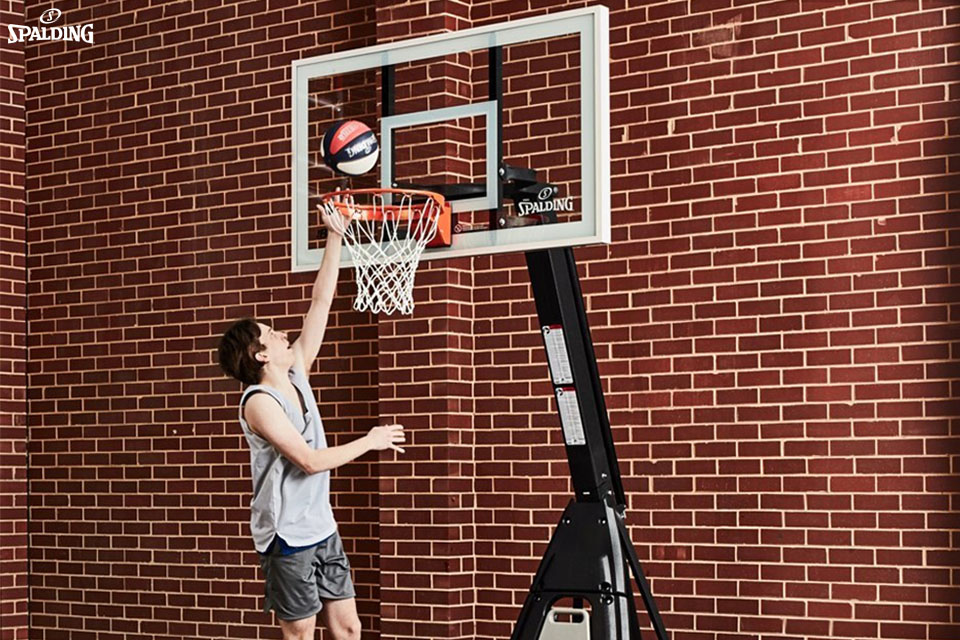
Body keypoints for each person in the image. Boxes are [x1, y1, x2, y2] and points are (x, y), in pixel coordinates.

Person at [217, 207, 405, 640]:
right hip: (287, 535)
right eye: (272, 334)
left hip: (322, 527)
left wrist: (335, 235)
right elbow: (309, 461)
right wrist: (370, 440)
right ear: (261, 355)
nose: (283, 334)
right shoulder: (259, 403)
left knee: (348, 628)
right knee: (301, 633)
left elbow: (321, 302)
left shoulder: (297, 370)